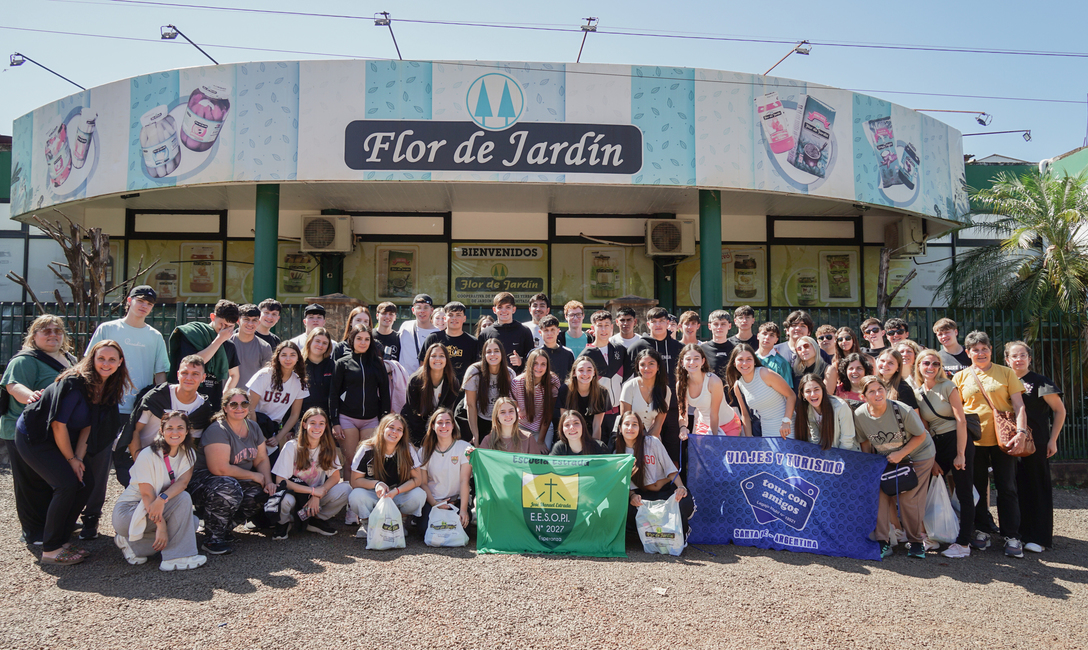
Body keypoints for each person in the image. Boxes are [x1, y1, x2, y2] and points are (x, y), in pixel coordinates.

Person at [15, 340, 129, 565]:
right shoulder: (74, 382)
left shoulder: (109, 387)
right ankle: (50, 550)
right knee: (66, 484)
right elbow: (58, 424)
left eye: (111, 359)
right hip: (36, 436)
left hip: (63, 438)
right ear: (92, 359)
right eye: (101, 358)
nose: (106, 363)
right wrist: (70, 459)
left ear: (119, 363)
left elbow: (89, 426)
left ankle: (61, 540)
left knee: (84, 481)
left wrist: (78, 459)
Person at [83, 284, 170, 540]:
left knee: (133, 467)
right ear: (129, 301)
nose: (144, 306)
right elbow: (89, 364)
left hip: (138, 411)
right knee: (96, 466)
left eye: (150, 303)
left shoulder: (154, 336)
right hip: (105, 406)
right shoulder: (108, 329)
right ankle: (90, 519)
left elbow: (160, 374)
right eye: (140, 300)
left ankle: (138, 516)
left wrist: (159, 409)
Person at [1, 315, 76, 546]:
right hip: (22, 430)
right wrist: (31, 397)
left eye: (57, 330)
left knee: (50, 479)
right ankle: (33, 531)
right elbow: (13, 386)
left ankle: (51, 523)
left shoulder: (69, 358)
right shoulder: (25, 360)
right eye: (46, 331)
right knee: (30, 482)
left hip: (52, 430)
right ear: (34, 336)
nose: (53, 335)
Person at [955, 330, 1029, 558]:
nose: (980, 353)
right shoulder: (960, 377)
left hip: (1003, 441)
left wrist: (1022, 432)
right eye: (975, 350)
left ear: (990, 350)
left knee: (1007, 488)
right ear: (967, 353)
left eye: (984, 349)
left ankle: (1011, 535)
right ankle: (983, 530)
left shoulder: (1006, 373)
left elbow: (1019, 406)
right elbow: (957, 412)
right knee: (976, 489)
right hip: (973, 442)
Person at [853, 375, 935, 559]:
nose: (877, 394)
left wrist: (901, 454)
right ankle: (883, 542)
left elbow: (921, 435)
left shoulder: (901, 409)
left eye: (880, 389)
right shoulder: (859, 414)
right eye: (871, 391)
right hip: (887, 458)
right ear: (863, 396)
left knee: (908, 498)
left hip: (918, 455)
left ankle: (915, 543)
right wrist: (870, 466)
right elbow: (865, 441)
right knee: (880, 495)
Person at [111, 411, 206, 571]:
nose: (175, 432)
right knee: (183, 500)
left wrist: (162, 499)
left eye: (180, 428)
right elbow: (147, 495)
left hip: (158, 505)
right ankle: (177, 557)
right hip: (129, 511)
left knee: (192, 523)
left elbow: (182, 483)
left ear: (187, 430)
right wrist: (161, 526)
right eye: (170, 428)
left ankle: (134, 545)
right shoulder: (148, 455)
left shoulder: (188, 453)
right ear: (161, 430)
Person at [187, 388, 276, 555]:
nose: (239, 407)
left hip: (234, 480)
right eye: (233, 404)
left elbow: (262, 458)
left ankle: (223, 528)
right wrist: (254, 475)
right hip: (205, 481)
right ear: (225, 408)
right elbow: (219, 468)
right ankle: (213, 539)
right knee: (229, 487)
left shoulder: (254, 427)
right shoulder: (218, 429)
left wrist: (268, 481)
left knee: (259, 493)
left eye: (244, 403)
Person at [913, 348, 975, 558]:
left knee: (964, 491)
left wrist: (960, 454)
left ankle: (965, 543)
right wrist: (931, 460)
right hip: (936, 445)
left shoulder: (948, 386)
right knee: (929, 488)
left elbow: (961, 420)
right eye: (926, 363)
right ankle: (932, 536)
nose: (930, 367)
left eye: (935, 364)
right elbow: (924, 428)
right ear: (919, 366)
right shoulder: (918, 393)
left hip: (958, 440)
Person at [118, 355, 214, 487]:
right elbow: (134, 429)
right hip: (142, 457)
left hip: (174, 467)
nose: (189, 378)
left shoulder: (202, 407)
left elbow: (191, 444)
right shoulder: (158, 396)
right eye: (185, 373)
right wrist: (140, 462)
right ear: (178, 375)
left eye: (195, 374)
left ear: (203, 378)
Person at [1005, 341, 1065, 553]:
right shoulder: (1004, 380)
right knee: (1014, 488)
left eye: (1023, 355)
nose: (1019, 359)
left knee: (1037, 488)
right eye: (1014, 356)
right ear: (1007, 360)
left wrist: (1053, 439)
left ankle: (1039, 537)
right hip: (1009, 443)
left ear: (1029, 359)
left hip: (1036, 444)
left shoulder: (1040, 382)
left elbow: (1060, 410)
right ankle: (1016, 534)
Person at [269, 408, 352, 539]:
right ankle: (284, 523)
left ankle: (314, 519)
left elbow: (336, 476)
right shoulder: (292, 446)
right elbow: (280, 481)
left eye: (321, 423)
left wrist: (318, 494)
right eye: (312, 422)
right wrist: (312, 491)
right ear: (304, 424)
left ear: (325, 426)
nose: (317, 427)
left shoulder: (328, 448)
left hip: (315, 495)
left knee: (346, 489)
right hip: (294, 494)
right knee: (284, 501)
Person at [330, 325, 391, 493]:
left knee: (367, 462)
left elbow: (385, 394)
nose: (363, 342)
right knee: (350, 461)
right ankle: (350, 505)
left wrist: (384, 420)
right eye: (359, 338)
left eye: (366, 339)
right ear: (352, 340)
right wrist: (335, 422)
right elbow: (333, 394)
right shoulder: (342, 363)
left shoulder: (377, 364)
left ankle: (366, 499)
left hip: (371, 420)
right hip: (347, 418)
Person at [347, 413, 426, 538]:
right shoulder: (367, 448)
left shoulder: (408, 449)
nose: (394, 432)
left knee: (419, 495)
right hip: (374, 493)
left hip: (397, 493)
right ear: (382, 428)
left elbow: (417, 479)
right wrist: (377, 484)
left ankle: (399, 523)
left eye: (399, 429)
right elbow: (355, 481)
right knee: (356, 495)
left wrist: (396, 491)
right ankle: (368, 524)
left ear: (403, 434)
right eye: (391, 427)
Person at [616, 411, 694, 537]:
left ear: (640, 427)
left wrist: (681, 487)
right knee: (626, 509)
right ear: (620, 428)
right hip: (643, 496)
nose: (630, 428)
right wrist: (632, 496)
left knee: (684, 502)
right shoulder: (618, 453)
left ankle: (683, 531)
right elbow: (626, 484)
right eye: (627, 424)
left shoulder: (652, 442)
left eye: (635, 424)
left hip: (665, 491)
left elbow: (670, 468)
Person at [628, 307, 684, 464]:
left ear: (668, 323)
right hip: (646, 410)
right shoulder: (637, 347)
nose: (658, 325)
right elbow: (630, 379)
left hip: (673, 408)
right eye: (654, 322)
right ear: (648, 324)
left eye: (661, 321)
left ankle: (676, 487)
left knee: (673, 452)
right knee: (646, 452)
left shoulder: (679, 348)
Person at [168, 298, 241, 408]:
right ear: (212, 317)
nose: (225, 329)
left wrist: (225, 396)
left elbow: (235, 374)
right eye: (222, 324)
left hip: (212, 402)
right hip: (184, 400)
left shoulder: (229, 345)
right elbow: (193, 363)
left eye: (230, 326)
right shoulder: (193, 334)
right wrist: (219, 340)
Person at [246, 341, 309, 464]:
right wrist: (257, 435)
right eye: (284, 355)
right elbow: (249, 407)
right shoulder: (265, 375)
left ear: (298, 358)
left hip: (272, 430)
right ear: (278, 357)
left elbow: (294, 415)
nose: (288, 359)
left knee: (272, 470)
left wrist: (278, 437)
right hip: (252, 424)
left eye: (292, 355)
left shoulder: (299, 383)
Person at [417, 407, 472, 536]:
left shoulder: (463, 447)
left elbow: (465, 481)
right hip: (433, 501)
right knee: (424, 531)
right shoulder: (424, 451)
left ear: (453, 425)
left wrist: (463, 510)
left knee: (463, 531)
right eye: (439, 422)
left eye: (448, 422)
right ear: (433, 425)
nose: (444, 426)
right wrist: (435, 504)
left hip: (455, 501)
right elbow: (423, 483)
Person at [727, 344, 795, 439]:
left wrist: (786, 421)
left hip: (787, 429)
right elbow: (745, 415)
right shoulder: (738, 386)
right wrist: (749, 439)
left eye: (749, 359)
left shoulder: (765, 373)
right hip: (766, 432)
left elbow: (791, 395)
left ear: (754, 361)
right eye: (740, 359)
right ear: (734, 363)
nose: (745, 363)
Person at [581, 310, 630, 441]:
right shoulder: (587, 354)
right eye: (600, 325)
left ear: (612, 327)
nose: (604, 329)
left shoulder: (619, 350)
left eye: (607, 325)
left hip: (619, 414)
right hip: (596, 415)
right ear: (593, 328)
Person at [676, 344, 740, 437]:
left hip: (729, 425)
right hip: (704, 425)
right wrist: (683, 428)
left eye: (696, 358)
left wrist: (713, 440)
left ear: (703, 361)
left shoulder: (713, 381)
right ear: (682, 362)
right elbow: (682, 413)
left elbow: (714, 415)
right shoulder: (681, 385)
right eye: (688, 359)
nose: (692, 362)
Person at [403, 343, 460, 446]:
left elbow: (447, 413)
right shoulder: (415, 381)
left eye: (442, 356)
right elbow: (412, 414)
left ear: (447, 360)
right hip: (414, 430)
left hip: (438, 428)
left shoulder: (453, 383)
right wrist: (424, 440)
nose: (437, 359)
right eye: (433, 356)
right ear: (427, 359)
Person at [462, 338, 517, 445]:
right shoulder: (474, 372)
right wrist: (475, 435)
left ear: (502, 353)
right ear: (484, 355)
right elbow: (471, 405)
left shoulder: (509, 374)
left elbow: (512, 405)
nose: (493, 354)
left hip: (500, 420)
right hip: (476, 419)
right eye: (488, 352)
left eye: (496, 351)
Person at [420, 301, 479, 385]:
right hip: (436, 389)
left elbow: (476, 369)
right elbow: (423, 365)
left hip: (463, 390)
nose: (454, 318)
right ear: (445, 318)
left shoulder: (473, 342)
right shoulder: (433, 338)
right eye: (450, 315)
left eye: (458, 315)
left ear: (464, 318)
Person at [619, 349, 672, 440]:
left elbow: (658, 424)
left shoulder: (665, 390)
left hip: (653, 438)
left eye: (651, 364)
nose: (647, 368)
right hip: (629, 436)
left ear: (658, 366)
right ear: (638, 367)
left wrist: (648, 443)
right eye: (642, 365)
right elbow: (625, 421)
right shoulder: (629, 387)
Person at [793, 373, 857, 450]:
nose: (813, 394)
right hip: (827, 455)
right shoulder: (808, 409)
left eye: (816, 389)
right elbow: (816, 439)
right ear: (803, 395)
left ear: (823, 390)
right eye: (808, 391)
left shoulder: (841, 406)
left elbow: (847, 441)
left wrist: (836, 460)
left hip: (848, 454)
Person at [512, 348, 561, 448]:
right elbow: (513, 412)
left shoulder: (553, 381)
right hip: (521, 426)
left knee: (541, 457)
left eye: (543, 364)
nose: (539, 367)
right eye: (535, 363)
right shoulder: (517, 382)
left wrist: (540, 441)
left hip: (543, 427)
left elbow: (548, 413)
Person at [478, 292, 535, 375]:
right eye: (500, 307)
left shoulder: (524, 331)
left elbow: (533, 359)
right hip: (492, 380)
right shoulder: (485, 333)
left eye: (508, 307)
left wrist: (521, 361)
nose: (504, 311)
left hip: (517, 381)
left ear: (514, 309)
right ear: (494, 310)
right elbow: (479, 360)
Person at [563, 357, 612, 442]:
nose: (585, 374)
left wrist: (593, 448)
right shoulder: (565, 390)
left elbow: (597, 425)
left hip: (593, 435)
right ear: (574, 373)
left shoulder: (602, 392)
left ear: (594, 373)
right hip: (571, 434)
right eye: (581, 370)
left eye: (589, 370)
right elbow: (565, 423)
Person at [479, 397, 546, 454]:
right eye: (503, 412)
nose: (508, 415)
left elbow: (536, 466)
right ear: (497, 416)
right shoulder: (488, 440)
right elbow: (480, 465)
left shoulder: (528, 438)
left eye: (511, 411)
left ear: (516, 414)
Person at [230, 304, 272, 388]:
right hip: (227, 397)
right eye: (246, 319)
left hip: (253, 397)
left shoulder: (265, 347)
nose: (250, 323)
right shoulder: (226, 343)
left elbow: (267, 377)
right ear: (238, 321)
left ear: (259, 322)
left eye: (254, 320)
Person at [399, 294, 441, 375]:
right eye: (418, 307)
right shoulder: (405, 326)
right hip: (402, 381)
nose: (422, 311)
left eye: (426, 307)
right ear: (413, 310)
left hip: (424, 380)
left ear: (432, 310)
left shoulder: (437, 333)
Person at [300, 327, 335, 417]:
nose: (320, 345)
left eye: (324, 343)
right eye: (317, 341)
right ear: (310, 341)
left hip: (326, 418)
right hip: (302, 417)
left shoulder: (333, 365)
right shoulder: (298, 365)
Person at [700, 309, 736, 389]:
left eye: (723, 324)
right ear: (709, 326)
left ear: (729, 326)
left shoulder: (736, 349)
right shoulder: (701, 349)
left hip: (733, 394)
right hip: (709, 393)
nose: (719, 327)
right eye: (716, 324)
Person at [538, 315, 575, 391]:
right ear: (540, 332)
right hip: (540, 396)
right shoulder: (535, 353)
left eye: (552, 330)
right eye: (546, 330)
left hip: (563, 396)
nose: (549, 333)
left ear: (558, 331)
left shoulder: (568, 353)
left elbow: (572, 377)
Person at [754, 322, 793, 389]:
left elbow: (788, 391)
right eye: (764, 333)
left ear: (776, 340)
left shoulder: (782, 363)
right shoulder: (749, 359)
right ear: (758, 336)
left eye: (772, 335)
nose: (767, 337)